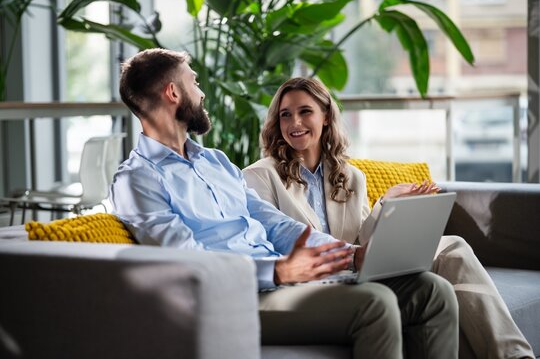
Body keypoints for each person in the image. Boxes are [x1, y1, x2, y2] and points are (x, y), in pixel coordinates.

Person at [110, 48, 459, 359]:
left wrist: (347, 255)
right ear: (173, 93)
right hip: (235, 299)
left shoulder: (214, 162)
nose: (201, 93)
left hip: (283, 281)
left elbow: (275, 223)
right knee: (375, 304)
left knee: (431, 291)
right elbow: (187, 260)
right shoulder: (137, 179)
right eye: (194, 82)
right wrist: (276, 271)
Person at [242, 77, 535, 359]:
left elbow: (362, 240)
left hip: (358, 269)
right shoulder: (261, 175)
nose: (294, 123)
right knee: (436, 286)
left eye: (305, 111)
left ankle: (517, 356)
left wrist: (386, 204)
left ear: (327, 117)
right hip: (316, 281)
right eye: (285, 115)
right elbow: (268, 240)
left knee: (453, 247)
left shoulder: (350, 176)